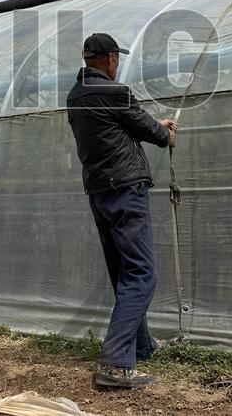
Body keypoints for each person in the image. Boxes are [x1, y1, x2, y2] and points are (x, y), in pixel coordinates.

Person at [66, 33, 177, 388]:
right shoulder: (116, 93)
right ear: (111, 58)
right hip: (126, 189)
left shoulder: (76, 95)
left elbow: (117, 127)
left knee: (123, 272)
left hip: (99, 191)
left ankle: (141, 346)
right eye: (118, 58)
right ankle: (115, 364)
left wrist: (152, 125)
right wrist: (165, 133)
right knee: (142, 274)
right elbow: (154, 134)